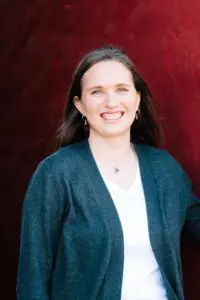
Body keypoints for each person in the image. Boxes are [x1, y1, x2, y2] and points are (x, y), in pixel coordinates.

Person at [16, 45, 200, 300]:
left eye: (121, 89)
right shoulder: (56, 174)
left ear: (136, 98)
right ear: (79, 105)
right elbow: (32, 277)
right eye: (97, 92)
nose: (111, 102)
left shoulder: (164, 169)